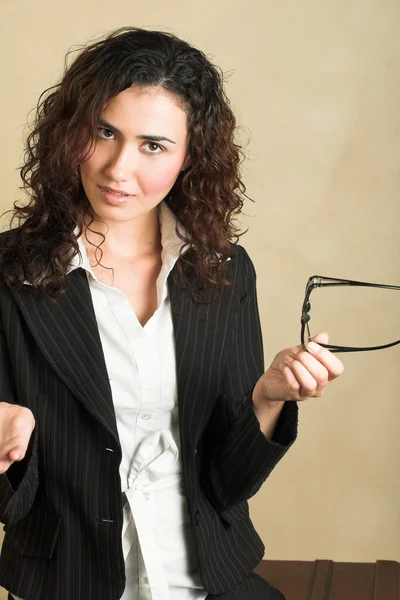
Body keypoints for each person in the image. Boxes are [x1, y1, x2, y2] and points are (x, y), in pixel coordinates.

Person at [0, 26, 344, 600]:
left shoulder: (225, 269)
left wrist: (268, 398)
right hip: (67, 583)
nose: (117, 168)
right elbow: (14, 495)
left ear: (190, 157)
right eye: (104, 132)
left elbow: (227, 484)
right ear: (71, 131)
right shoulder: (9, 273)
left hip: (211, 584)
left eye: (152, 145)